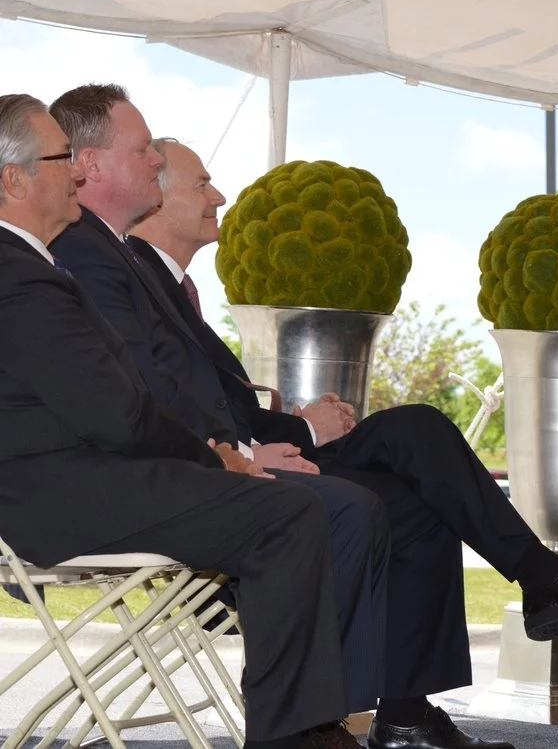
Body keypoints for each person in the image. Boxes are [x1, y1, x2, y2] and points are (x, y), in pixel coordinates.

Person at [48, 89, 558, 749]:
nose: (218, 193)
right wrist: (253, 450)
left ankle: (458, 659)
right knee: (383, 502)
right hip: (201, 477)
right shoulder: (98, 256)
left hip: (245, 455)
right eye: (190, 175)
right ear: (94, 165)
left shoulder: (134, 267)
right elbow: (146, 393)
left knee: (419, 433)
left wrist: (284, 434)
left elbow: (186, 391)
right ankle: (336, 714)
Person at [0, 92, 352, 749]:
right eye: (61, 160)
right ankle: (294, 735)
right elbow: (115, 412)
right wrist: (211, 457)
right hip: (53, 502)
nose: (76, 173)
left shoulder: (29, 268)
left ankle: (303, 726)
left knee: (284, 504)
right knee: (286, 512)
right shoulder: (17, 276)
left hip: (69, 484)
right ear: (11, 179)